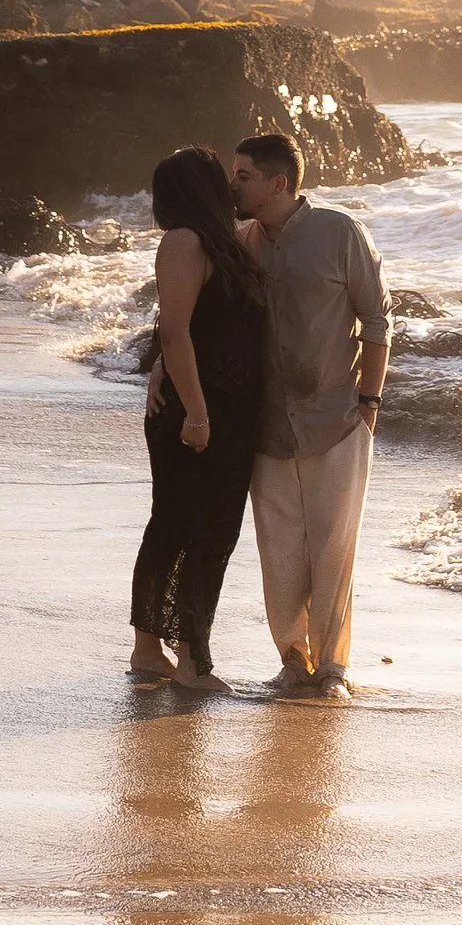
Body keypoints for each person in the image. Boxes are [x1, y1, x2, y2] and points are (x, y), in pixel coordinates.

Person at [233, 128, 391, 699]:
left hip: (337, 419)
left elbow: (377, 320)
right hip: (266, 426)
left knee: (333, 549)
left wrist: (369, 405)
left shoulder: (340, 232)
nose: (235, 185)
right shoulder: (241, 241)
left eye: (244, 176)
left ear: (278, 183)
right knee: (278, 551)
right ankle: (293, 662)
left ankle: (332, 669)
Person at [128, 145, 266, 692]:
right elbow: (176, 331)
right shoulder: (185, 241)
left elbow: (192, 327)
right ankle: (189, 662)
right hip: (200, 414)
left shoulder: (218, 244)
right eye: (222, 179)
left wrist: (168, 374)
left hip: (217, 409)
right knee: (195, 531)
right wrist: (200, 416)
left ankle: (155, 651)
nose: (232, 187)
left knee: (188, 529)